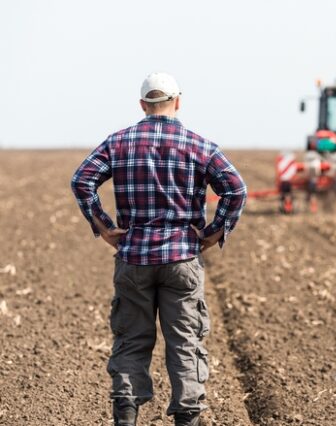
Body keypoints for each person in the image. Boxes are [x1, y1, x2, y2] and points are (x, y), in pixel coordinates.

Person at [70, 72, 247, 426]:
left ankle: (126, 416)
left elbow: (82, 179)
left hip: (133, 258)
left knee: (131, 340)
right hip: (182, 257)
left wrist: (103, 227)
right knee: (185, 342)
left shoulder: (119, 142)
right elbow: (236, 190)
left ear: (142, 106)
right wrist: (213, 233)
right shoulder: (199, 145)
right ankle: (187, 418)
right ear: (177, 102)